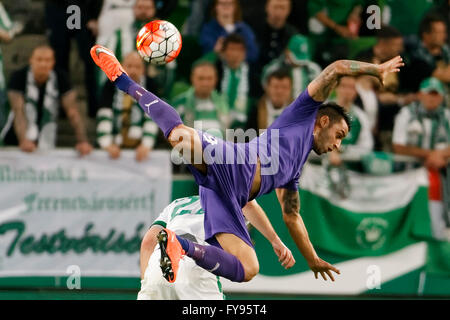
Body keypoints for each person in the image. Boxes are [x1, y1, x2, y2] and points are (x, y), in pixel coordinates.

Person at [90, 44, 403, 284]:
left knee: (249, 269)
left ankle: (179, 246)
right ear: (323, 121)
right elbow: (334, 69)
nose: (338, 144)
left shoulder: (293, 172)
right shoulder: (302, 113)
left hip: (225, 197)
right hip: (233, 161)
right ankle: (124, 80)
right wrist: (374, 69)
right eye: (339, 135)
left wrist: (313, 258)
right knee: (179, 137)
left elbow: (292, 217)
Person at [138, 196, 294, 299]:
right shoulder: (233, 202)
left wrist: (148, 283)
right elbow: (249, 204)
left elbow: (148, 242)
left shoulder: (177, 204)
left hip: (156, 269)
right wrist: (275, 240)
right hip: (196, 269)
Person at [6, 45, 92, 155]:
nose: (43, 64)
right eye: (39, 59)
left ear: (53, 62)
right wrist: (23, 140)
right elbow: (18, 111)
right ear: (31, 60)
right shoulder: (18, 77)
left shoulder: (61, 78)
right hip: (16, 139)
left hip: (46, 136)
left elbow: (73, 112)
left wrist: (83, 141)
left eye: (47, 60)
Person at [392, 77, 450, 239]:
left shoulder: (446, 116)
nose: (432, 98)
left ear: (441, 97)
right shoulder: (406, 114)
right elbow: (398, 146)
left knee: (436, 221)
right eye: (429, 94)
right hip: (408, 175)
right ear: (420, 95)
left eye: (436, 94)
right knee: (408, 220)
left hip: (440, 178)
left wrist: (441, 155)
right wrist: (430, 155)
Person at [45, 0, 103, 118]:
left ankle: (95, 108)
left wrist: (94, 16)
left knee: (90, 61)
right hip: (58, 11)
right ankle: (62, 107)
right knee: (59, 62)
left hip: (82, 10)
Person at [96, 52, 158, 161]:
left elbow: (153, 118)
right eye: (129, 66)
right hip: (115, 145)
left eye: (137, 67)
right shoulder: (110, 84)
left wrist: (146, 145)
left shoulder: (150, 85)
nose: (133, 71)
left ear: (143, 70)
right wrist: (107, 144)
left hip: (140, 147)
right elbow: (104, 115)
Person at [171, 61, 229, 138]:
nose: (205, 83)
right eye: (201, 78)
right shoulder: (180, 102)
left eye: (209, 78)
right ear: (192, 78)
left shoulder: (223, 102)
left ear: (216, 79)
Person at [328, 76, 374, 166]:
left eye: (351, 88)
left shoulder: (360, 117)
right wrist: (330, 153)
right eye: (344, 86)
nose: (347, 91)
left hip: (351, 171)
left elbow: (367, 147)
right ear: (336, 88)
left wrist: (342, 151)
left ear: (356, 92)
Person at [400, 13, 450, 94]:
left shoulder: (445, 50)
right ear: (425, 34)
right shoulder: (416, 55)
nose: (444, 36)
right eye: (439, 32)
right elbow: (445, 77)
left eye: (443, 32)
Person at [261, 34, 322, 100]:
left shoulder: (313, 70)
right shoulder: (274, 68)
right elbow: (266, 86)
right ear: (287, 52)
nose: (300, 63)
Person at [250, 0, 298, 74]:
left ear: (289, 10)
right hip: (256, 75)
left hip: (283, 77)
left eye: (282, 8)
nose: (278, 12)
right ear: (267, 7)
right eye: (275, 7)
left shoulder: (293, 34)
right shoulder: (254, 29)